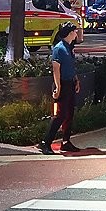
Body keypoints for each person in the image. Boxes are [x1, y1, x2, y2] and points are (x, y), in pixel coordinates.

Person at [39, 22, 82, 154]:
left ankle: (66, 141)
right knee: (60, 115)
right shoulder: (59, 48)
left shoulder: (68, 47)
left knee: (69, 113)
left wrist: (76, 79)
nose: (76, 33)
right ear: (69, 33)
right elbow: (56, 69)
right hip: (62, 83)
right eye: (75, 31)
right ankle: (46, 142)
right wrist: (58, 87)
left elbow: (70, 66)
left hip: (69, 82)